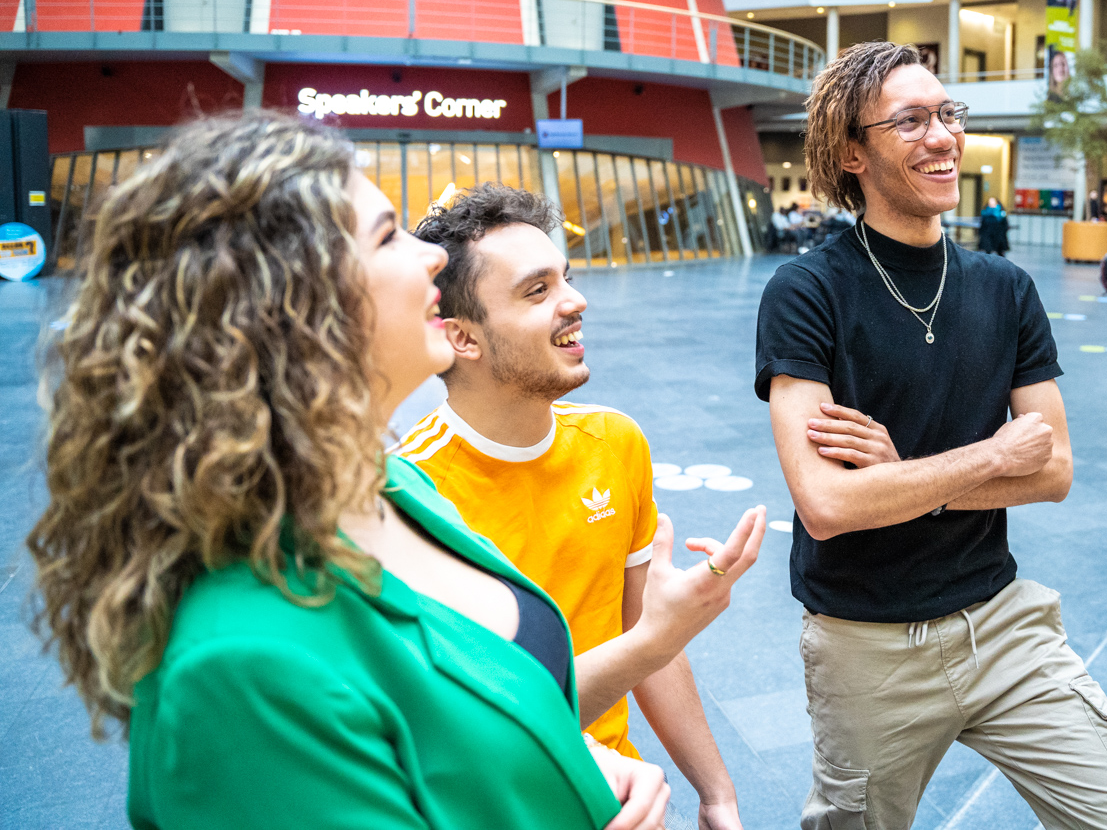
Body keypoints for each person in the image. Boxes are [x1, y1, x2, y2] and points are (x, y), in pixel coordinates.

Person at [25, 115, 755, 830]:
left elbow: (481, 714)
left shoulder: (401, 492)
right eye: (386, 235)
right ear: (296, 307)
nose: (432, 254)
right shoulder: (236, 665)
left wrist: (581, 761)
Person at [757, 41, 1107, 830]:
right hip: (866, 643)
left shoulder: (1005, 288)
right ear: (853, 152)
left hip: (1004, 621)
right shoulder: (807, 290)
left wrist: (899, 479)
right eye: (910, 120)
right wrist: (989, 456)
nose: (943, 135)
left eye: (947, 113)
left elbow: (1051, 470)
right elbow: (826, 504)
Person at [399, 184, 758, 830]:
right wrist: (660, 632)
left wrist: (715, 790)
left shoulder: (616, 442)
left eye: (565, 277)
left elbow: (646, 639)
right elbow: (453, 719)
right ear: (463, 337)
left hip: (627, 797)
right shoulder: (411, 493)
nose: (576, 301)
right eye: (537, 291)